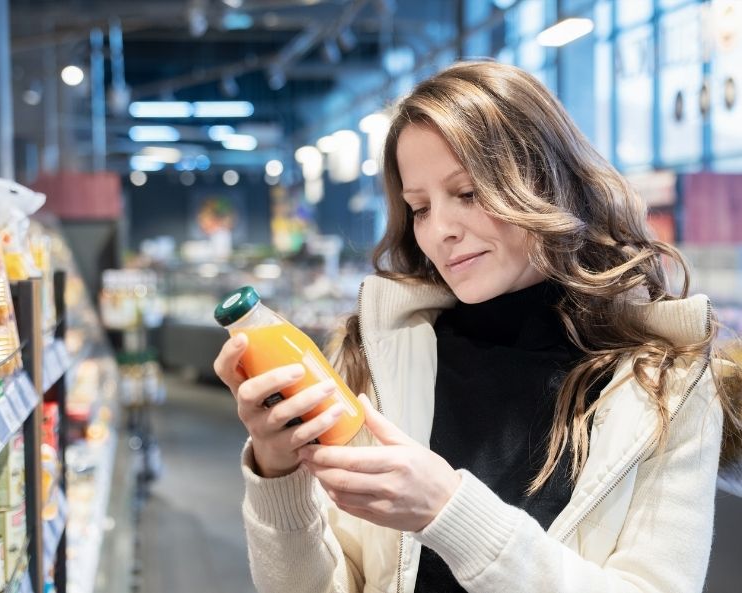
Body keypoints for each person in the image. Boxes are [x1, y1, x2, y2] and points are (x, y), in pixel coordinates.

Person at [213, 61, 742, 593]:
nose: (440, 231)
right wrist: (278, 472)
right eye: (419, 208)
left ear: (545, 182)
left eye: (467, 194)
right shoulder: (387, 356)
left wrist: (450, 511)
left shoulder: (667, 384)